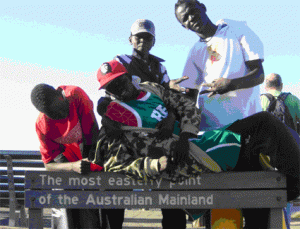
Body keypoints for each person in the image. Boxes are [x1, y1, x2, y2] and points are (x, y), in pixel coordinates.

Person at [92, 60, 300, 229]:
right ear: (107, 92)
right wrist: (153, 165)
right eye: (112, 87)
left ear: (129, 77)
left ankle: (292, 186)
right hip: (189, 160)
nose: (119, 88)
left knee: (262, 126)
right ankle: (293, 188)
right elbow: (115, 163)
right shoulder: (114, 121)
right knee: (258, 137)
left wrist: (182, 132)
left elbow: (188, 108)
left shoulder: (151, 90)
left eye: (121, 81)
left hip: (196, 142)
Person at [101, 18, 189, 228]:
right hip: (127, 130)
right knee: (117, 187)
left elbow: (169, 98)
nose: (143, 40)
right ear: (130, 39)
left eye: (148, 37)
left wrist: (171, 118)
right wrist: (106, 116)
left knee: (169, 189)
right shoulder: (121, 60)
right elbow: (107, 94)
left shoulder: (160, 68)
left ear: (153, 41)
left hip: (157, 133)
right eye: (138, 36)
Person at [174, 0, 265, 131]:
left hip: (246, 123)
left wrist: (231, 84)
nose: (191, 18)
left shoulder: (236, 29)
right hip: (211, 130)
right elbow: (190, 95)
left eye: (193, 11)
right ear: (185, 27)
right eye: (185, 18)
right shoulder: (194, 52)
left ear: (203, 7)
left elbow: (259, 74)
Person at [31, 83, 103, 229]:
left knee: (90, 205)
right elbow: (49, 164)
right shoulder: (42, 125)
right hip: (70, 168)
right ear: (45, 114)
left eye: (61, 109)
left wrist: (84, 167)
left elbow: (92, 135)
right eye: (54, 115)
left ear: (61, 94)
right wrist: (72, 167)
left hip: (90, 158)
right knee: (64, 200)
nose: (62, 116)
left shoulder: (75, 95)